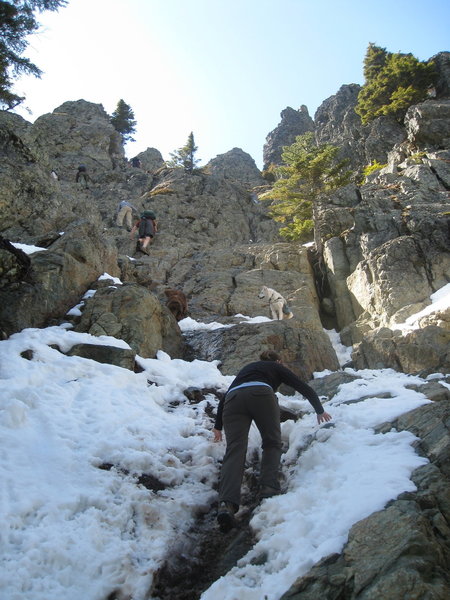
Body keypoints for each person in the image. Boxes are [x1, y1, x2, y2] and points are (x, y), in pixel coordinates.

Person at [213, 350, 332, 532]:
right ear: (279, 361)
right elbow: (301, 386)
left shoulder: (248, 368)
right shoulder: (276, 367)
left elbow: (226, 396)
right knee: (271, 441)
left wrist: (218, 426)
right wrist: (319, 409)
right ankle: (268, 487)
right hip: (261, 394)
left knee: (235, 449)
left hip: (233, 399)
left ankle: (226, 504)